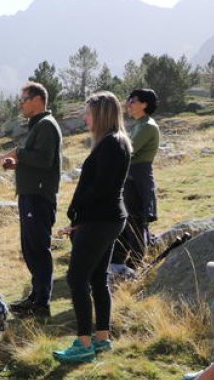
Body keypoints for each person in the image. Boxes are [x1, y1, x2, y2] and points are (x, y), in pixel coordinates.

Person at [53, 92, 132, 364]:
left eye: (88, 113)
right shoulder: (116, 142)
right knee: (98, 278)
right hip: (107, 218)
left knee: (77, 279)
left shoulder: (110, 144)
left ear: (100, 114)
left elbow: (99, 189)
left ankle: (84, 342)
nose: (84, 118)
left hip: (99, 220)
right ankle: (102, 338)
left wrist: (78, 216)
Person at [0, 81, 63, 319]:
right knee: (30, 248)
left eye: (24, 99)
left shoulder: (46, 125)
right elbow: (37, 160)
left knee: (38, 248)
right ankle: (35, 297)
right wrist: (18, 163)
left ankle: (42, 302)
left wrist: (18, 153)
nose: (21, 104)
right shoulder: (38, 125)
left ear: (38, 100)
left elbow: (45, 160)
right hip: (31, 194)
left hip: (38, 197)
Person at [111, 88, 161, 274]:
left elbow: (128, 151)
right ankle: (120, 262)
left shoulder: (148, 126)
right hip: (130, 177)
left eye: (133, 100)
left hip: (138, 178)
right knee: (127, 221)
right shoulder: (140, 124)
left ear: (144, 104)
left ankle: (135, 267)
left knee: (136, 223)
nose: (128, 104)